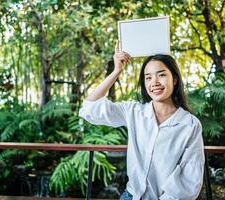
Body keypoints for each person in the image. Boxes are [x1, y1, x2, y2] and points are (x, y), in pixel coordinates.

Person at [79, 41, 205, 200]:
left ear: (174, 79)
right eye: (148, 77)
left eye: (161, 74)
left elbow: (189, 179)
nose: (155, 82)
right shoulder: (134, 111)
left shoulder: (190, 125)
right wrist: (116, 71)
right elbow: (89, 109)